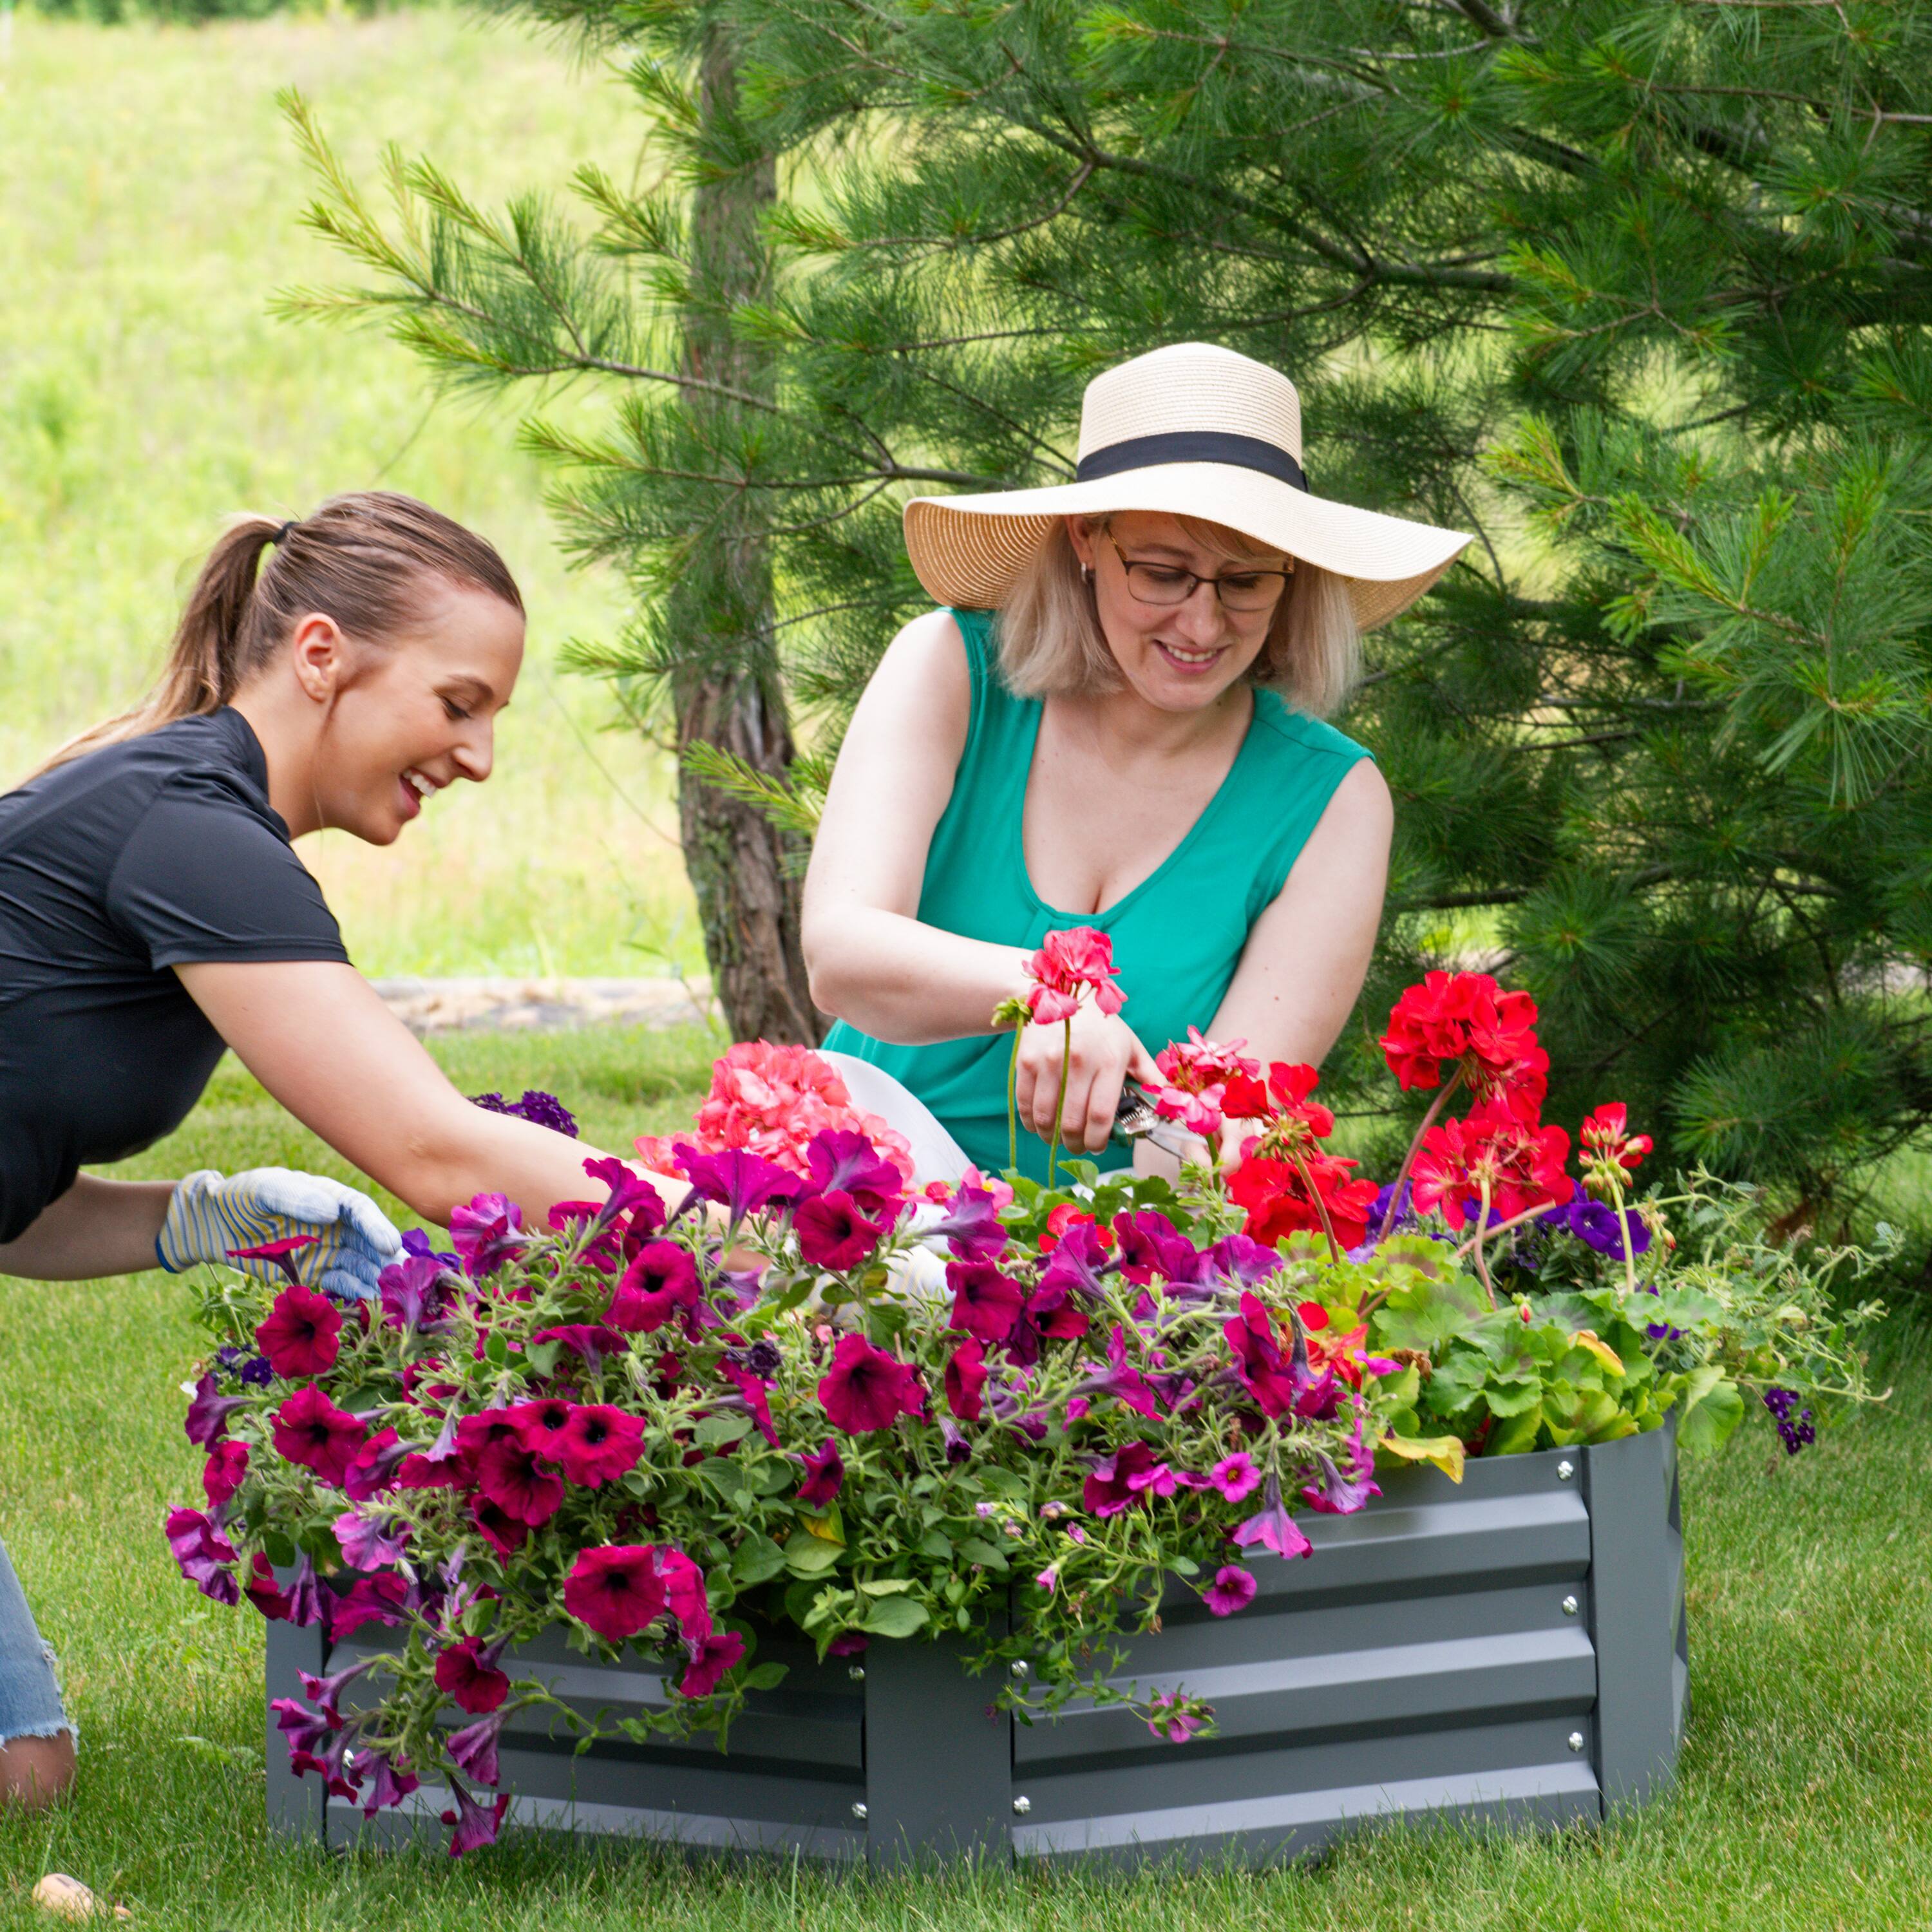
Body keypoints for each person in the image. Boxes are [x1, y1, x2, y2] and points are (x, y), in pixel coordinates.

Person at [0, 491, 672, 1808]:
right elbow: (435, 1155)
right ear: (321, 656)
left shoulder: (178, 807)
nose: (477, 756)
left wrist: (196, 1215)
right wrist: (736, 1220)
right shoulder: (192, 832)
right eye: (459, 702)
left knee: (20, 1779)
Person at [803, 342, 1471, 1182]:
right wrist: (1053, 997)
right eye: (1162, 573)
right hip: (846, 1189)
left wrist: (1094, 1263)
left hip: (1096, 1266)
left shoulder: (1332, 801)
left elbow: (1229, 1140)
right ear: (1086, 538)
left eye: (1246, 582)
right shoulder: (949, 668)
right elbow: (841, 954)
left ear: (1293, 577)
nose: (1202, 625)